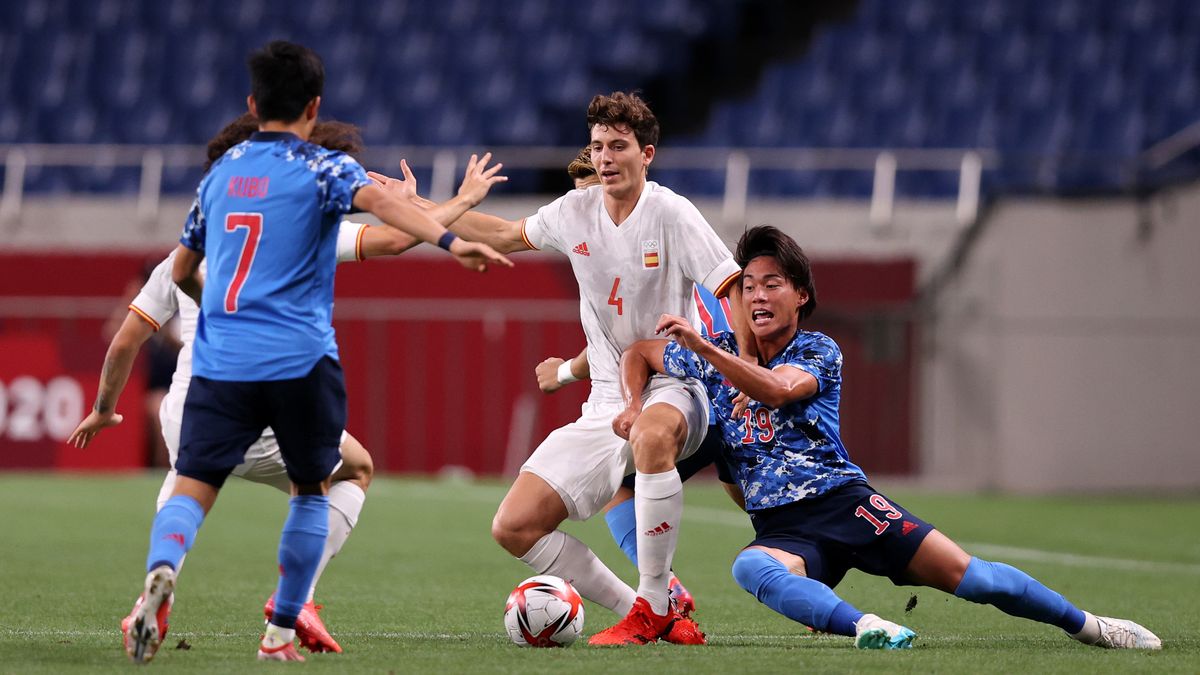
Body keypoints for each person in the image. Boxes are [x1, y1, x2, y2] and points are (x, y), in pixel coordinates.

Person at [119, 40, 510, 664]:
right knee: (313, 489)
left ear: (253, 103)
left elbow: (184, 267)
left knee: (190, 488)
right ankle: (278, 633)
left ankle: (162, 572)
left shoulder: (219, 178)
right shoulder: (321, 169)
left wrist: (216, 306)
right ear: (314, 105)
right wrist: (449, 238)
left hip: (222, 365)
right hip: (299, 360)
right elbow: (383, 208)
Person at [617, 225, 1163, 651]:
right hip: (786, 531)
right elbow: (639, 352)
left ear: (800, 295)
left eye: (773, 284)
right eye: (749, 286)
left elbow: (779, 391)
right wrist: (635, 405)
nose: (758, 297)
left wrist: (712, 353)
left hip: (848, 506)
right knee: (749, 567)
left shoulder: (817, 350)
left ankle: (1092, 626)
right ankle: (868, 626)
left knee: (975, 580)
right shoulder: (714, 352)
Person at [68, 113, 466, 655]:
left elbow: (124, 342)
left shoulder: (185, 248)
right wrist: (439, 205)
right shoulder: (301, 221)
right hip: (268, 394)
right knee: (349, 470)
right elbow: (395, 240)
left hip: (193, 401)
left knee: (186, 488)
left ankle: (156, 585)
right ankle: (290, 608)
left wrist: (103, 409)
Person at [378, 91, 742, 645]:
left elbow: (732, 288)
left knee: (649, 433)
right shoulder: (573, 212)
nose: (605, 157)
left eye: (618, 146)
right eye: (597, 146)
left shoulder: (672, 213)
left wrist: (751, 371)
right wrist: (419, 206)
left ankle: (651, 601)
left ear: (646, 155)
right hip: (603, 400)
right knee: (513, 526)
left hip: (675, 384)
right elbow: (500, 234)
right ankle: (660, 607)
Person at [534, 147, 742, 618]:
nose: (590, 210)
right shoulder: (621, 247)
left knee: (757, 497)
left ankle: (661, 593)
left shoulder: (658, 247)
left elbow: (643, 345)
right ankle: (666, 589)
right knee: (753, 497)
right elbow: (623, 347)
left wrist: (566, 371)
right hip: (702, 393)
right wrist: (569, 370)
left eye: (592, 193)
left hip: (708, 398)